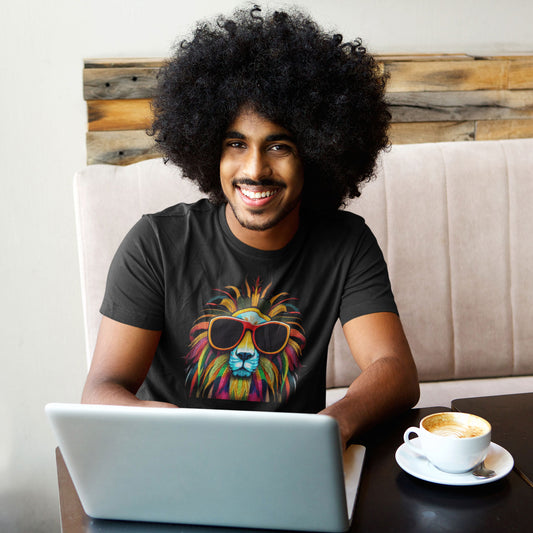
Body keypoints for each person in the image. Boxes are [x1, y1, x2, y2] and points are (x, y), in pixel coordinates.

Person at [82, 4, 419, 448]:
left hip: (292, 458)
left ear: (318, 154)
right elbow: (101, 390)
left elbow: (395, 369)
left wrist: (335, 424)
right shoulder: (156, 243)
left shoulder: (346, 242)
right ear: (209, 151)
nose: (255, 170)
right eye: (236, 144)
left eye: (279, 146)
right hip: (175, 454)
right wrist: (157, 421)